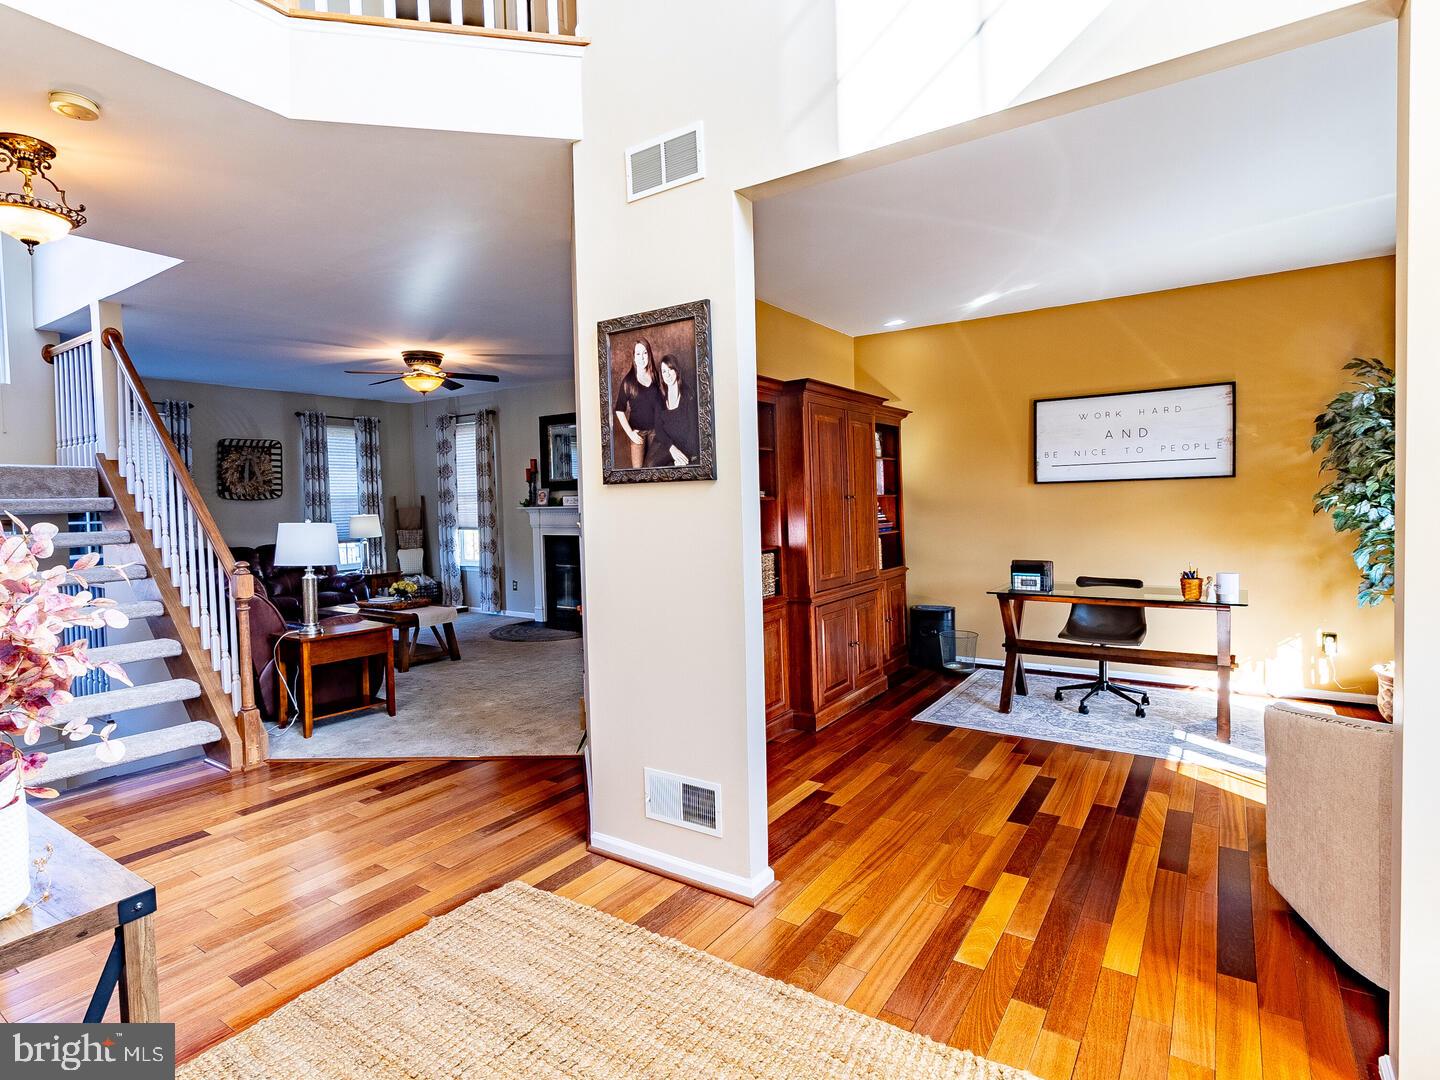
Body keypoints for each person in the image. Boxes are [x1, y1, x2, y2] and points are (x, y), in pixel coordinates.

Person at [613, 337, 661, 468]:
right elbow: (619, 410)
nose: (642, 357)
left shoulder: (655, 375)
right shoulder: (628, 381)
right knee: (638, 472)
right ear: (634, 357)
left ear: (649, 354)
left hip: (655, 432)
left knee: (654, 471)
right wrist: (630, 433)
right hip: (638, 433)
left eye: (645, 353)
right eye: (638, 354)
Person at [647, 354, 700, 467]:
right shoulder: (660, 397)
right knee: (651, 465)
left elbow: (692, 431)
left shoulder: (688, 395)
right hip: (666, 443)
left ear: (676, 370)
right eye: (664, 371)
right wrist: (672, 448)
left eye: (670, 369)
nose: (668, 375)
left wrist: (688, 456)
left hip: (683, 445)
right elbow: (659, 429)